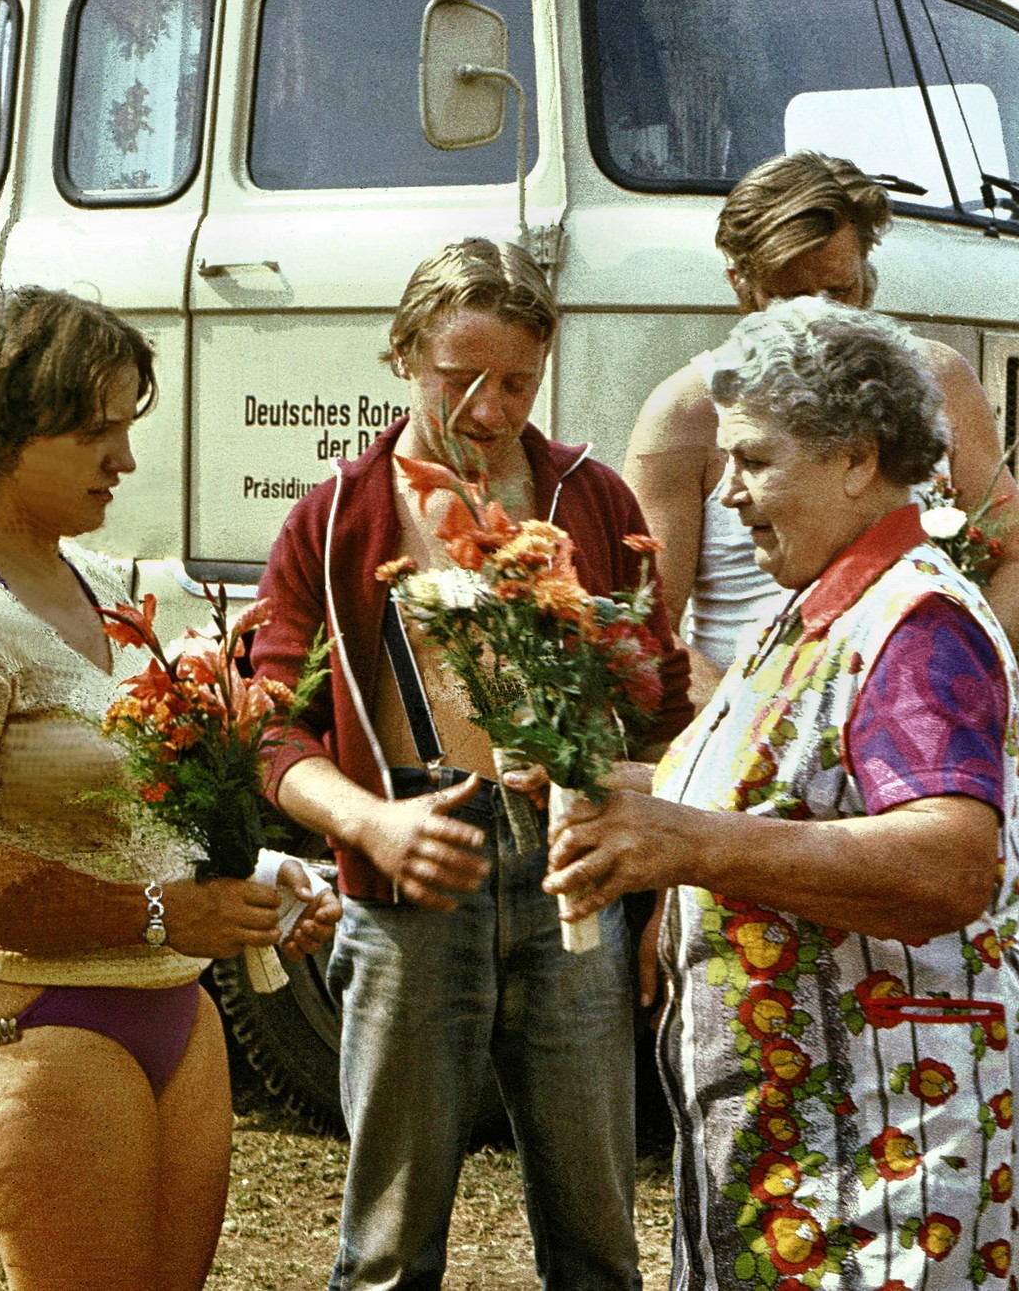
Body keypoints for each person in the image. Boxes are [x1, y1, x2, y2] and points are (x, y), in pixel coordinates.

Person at [548, 297, 1019, 1288]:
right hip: (827, 1154)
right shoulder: (818, 608)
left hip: (900, 1156)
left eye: (754, 461)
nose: (728, 494)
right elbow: (781, 784)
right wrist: (613, 788)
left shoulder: (917, 625)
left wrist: (692, 843)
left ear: (854, 459)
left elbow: (947, 861)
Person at [251, 237, 692, 1291]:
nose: (490, 411)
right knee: (388, 1245)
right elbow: (273, 731)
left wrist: (667, 885)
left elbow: (665, 715)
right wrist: (371, 823)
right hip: (411, 873)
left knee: (598, 1236)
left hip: (573, 870)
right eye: (460, 379)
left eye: (519, 384)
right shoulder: (336, 515)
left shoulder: (590, 498)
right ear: (403, 351)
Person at [0, 286, 339, 1290]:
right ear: (6, 429)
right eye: (96, 432)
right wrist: (158, 912)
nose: (125, 460)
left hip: (177, 1009)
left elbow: (139, 813)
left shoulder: (102, 587)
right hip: (45, 1022)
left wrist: (254, 880)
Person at [624, 151, 1019, 702]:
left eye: (837, 292)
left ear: (866, 273)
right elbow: (647, 626)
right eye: (788, 297)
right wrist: (765, 725)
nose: (817, 316)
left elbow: (1015, 567)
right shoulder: (687, 412)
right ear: (740, 285)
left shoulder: (940, 382)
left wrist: (944, 691)